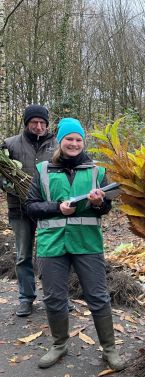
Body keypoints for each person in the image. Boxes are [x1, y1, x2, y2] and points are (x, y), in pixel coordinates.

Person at [25, 118, 126, 371]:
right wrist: (56, 208)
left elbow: (105, 208)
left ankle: (109, 349)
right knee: (54, 298)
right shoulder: (43, 170)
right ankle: (59, 345)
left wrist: (98, 203)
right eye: (69, 139)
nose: (74, 143)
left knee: (98, 297)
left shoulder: (97, 171)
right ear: (60, 141)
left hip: (87, 243)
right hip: (52, 245)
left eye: (78, 139)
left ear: (84, 142)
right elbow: (31, 206)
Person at [0, 105, 56, 317]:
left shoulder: (57, 144)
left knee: (52, 255)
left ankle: (56, 297)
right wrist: (9, 184)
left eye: (42, 123)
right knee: (23, 255)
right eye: (34, 122)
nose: (39, 126)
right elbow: (2, 173)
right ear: (26, 123)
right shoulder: (10, 144)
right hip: (20, 210)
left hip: (47, 209)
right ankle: (26, 298)